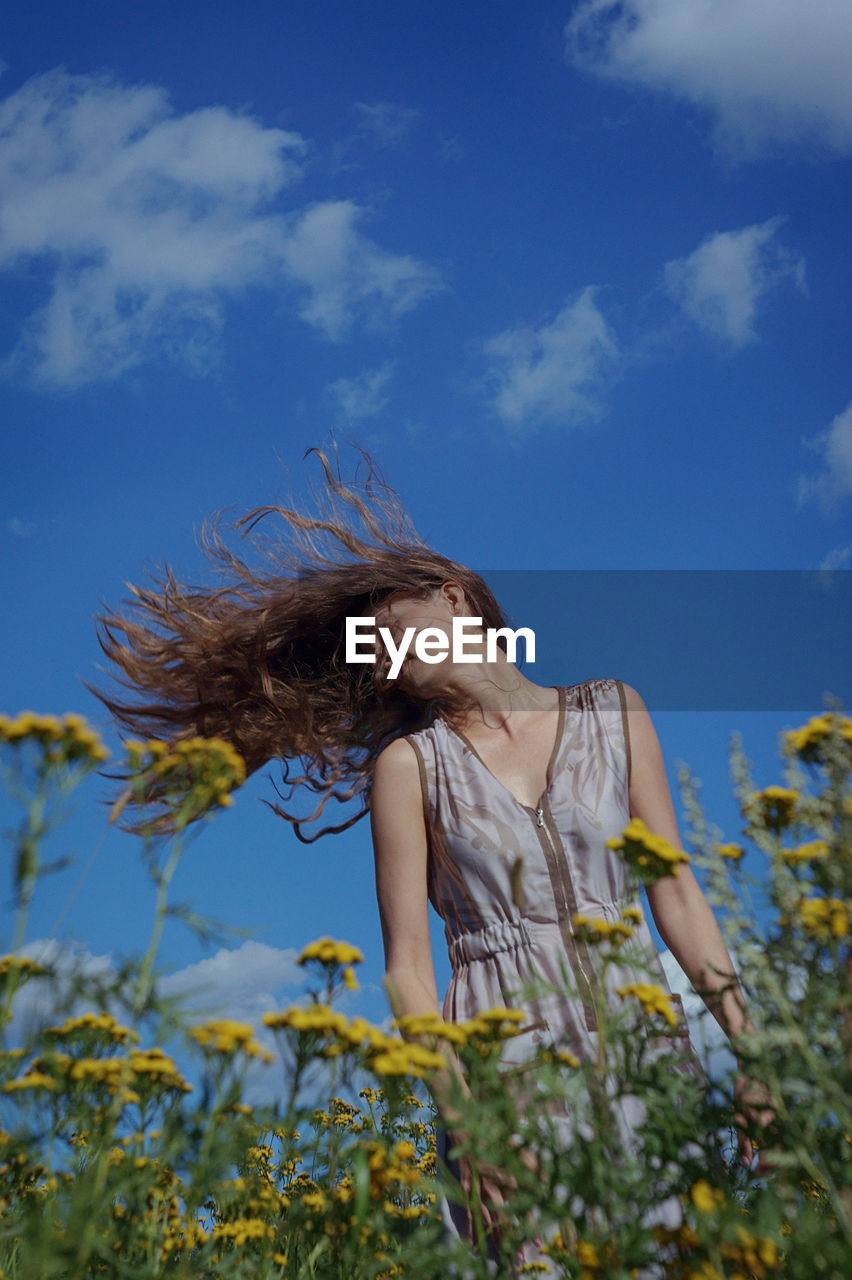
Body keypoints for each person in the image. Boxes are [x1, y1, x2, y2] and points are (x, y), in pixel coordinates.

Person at [95, 446, 774, 1263]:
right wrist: (468, 1121)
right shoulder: (409, 768)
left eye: (389, 630)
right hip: (506, 1081)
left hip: (647, 1058)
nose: (385, 656)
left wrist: (753, 1049)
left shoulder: (613, 710)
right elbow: (409, 971)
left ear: (454, 598)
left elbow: (679, 895)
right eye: (369, 650)